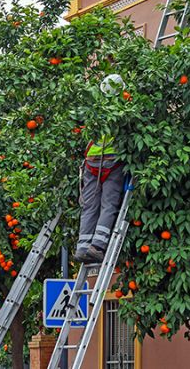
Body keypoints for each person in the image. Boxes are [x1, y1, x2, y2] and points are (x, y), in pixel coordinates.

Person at [74, 74, 126, 263]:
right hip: (112, 160)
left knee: (90, 205)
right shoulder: (123, 108)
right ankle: (97, 245)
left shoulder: (94, 107)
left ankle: (82, 247)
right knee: (108, 204)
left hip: (92, 160)